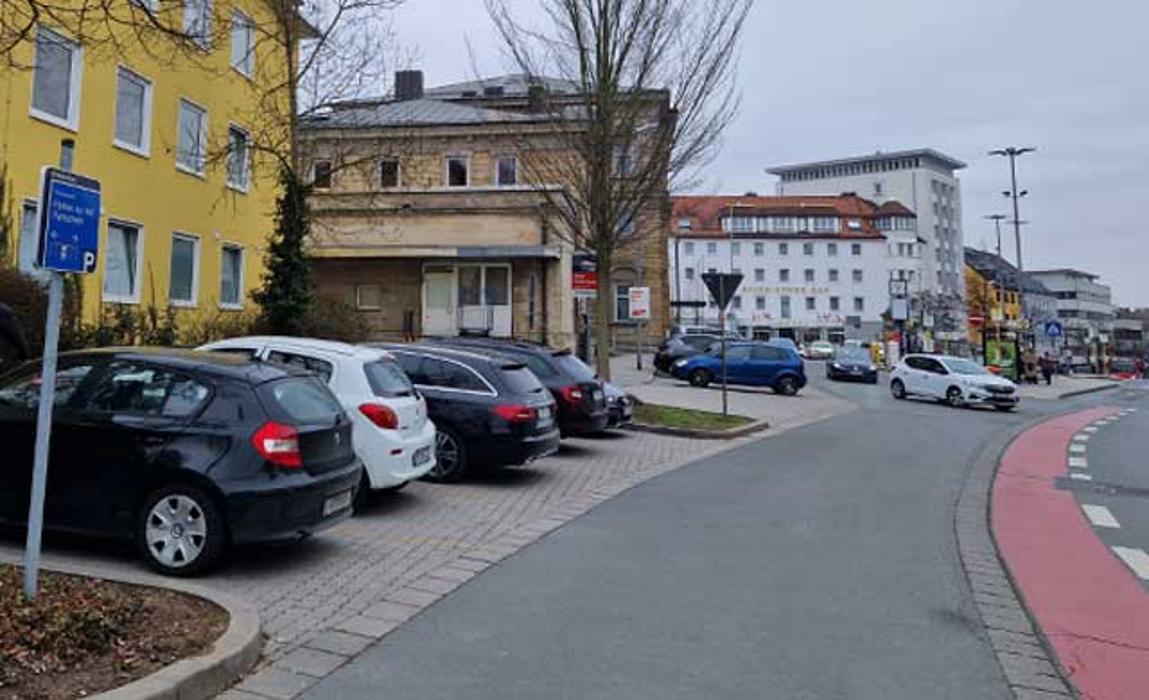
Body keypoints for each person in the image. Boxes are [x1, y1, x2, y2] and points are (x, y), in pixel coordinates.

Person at [0, 302, 32, 372]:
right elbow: (17, 335)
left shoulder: (4, 312)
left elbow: (16, 334)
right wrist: (26, 355)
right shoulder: (5, 311)